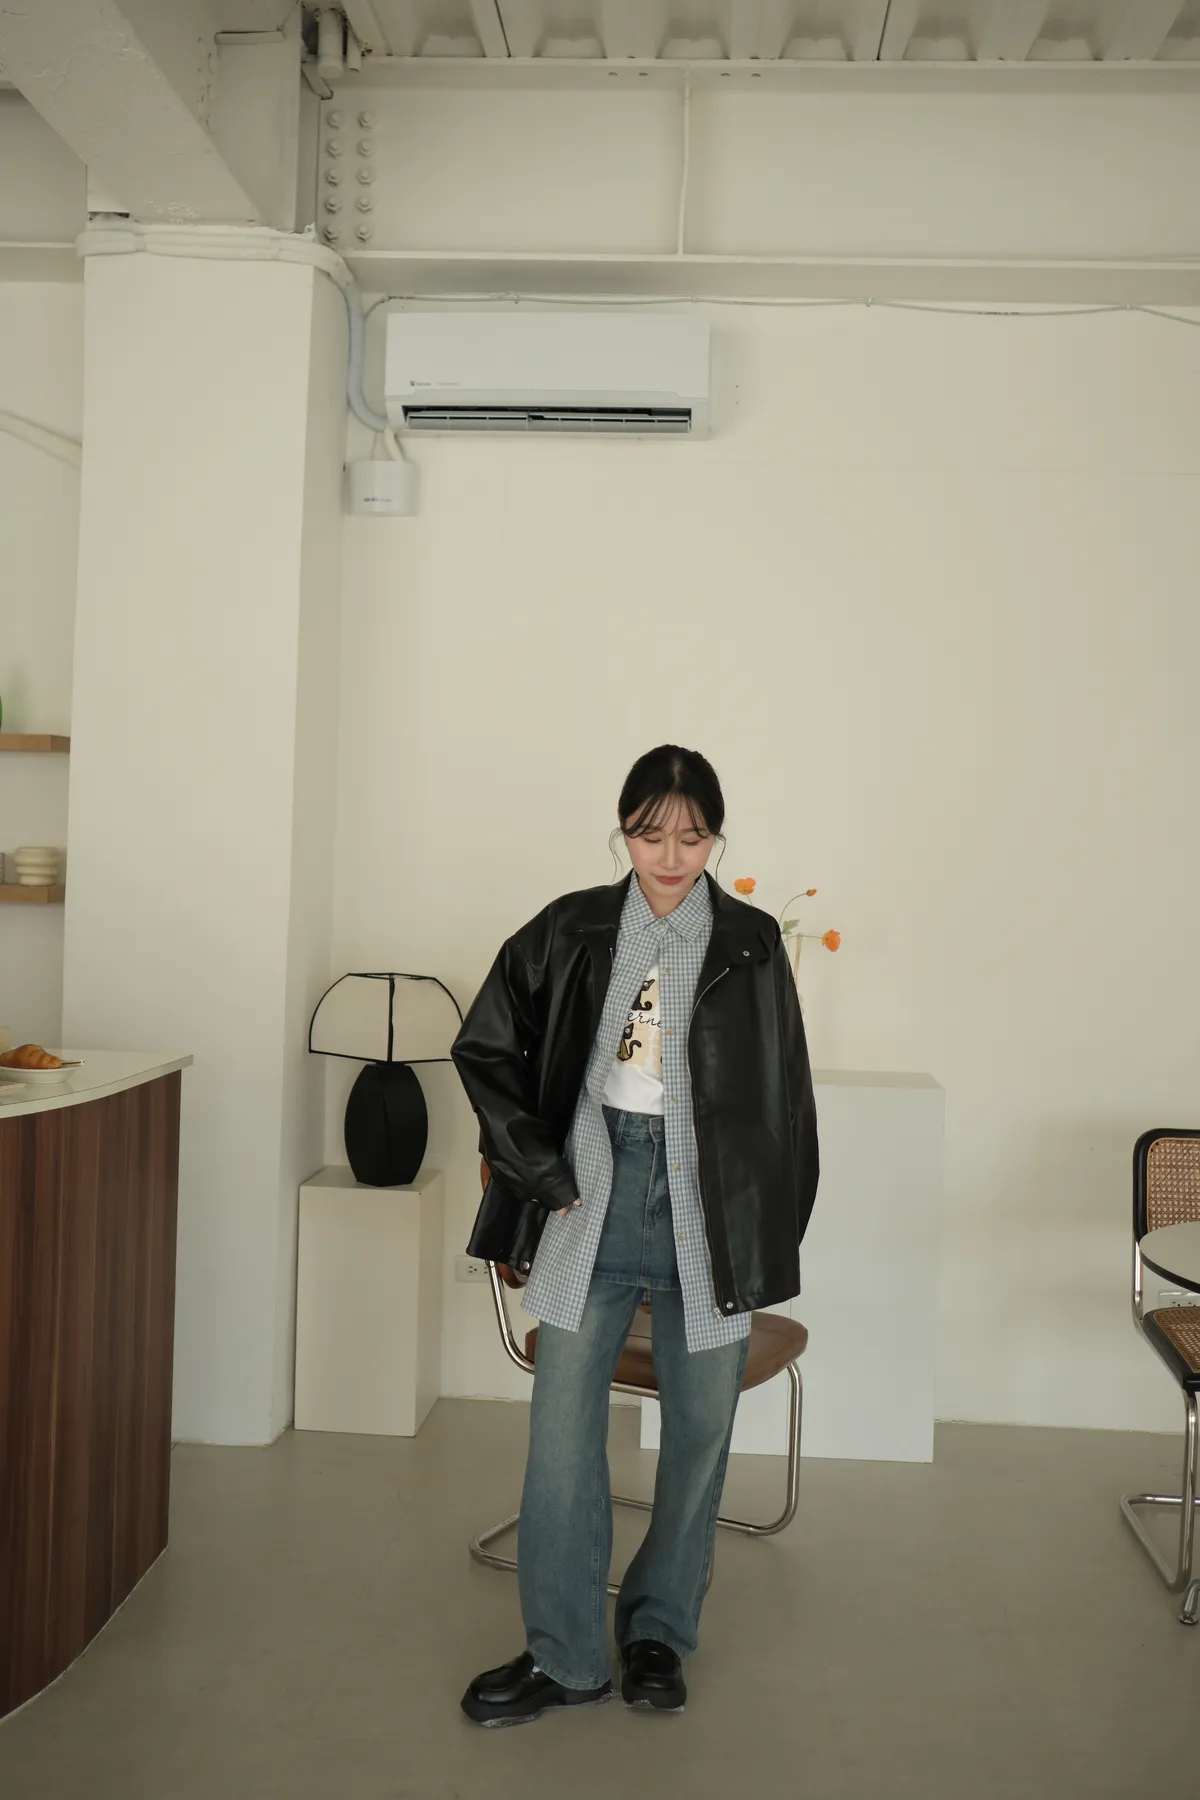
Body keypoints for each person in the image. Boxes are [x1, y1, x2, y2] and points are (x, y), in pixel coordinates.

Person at [450, 744, 819, 1727]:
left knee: (698, 1438)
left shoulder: (749, 941)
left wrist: (769, 1231)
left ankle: (658, 1634)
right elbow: (484, 1046)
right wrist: (541, 1171)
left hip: (708, 1209)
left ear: (715, 840)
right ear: (623, 833)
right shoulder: (572, 926)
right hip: (594, 1194)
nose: (670, 856)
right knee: (562, 1441)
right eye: (651, 834)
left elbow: (787, 1095)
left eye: (692, 837)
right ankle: (564, 1655)